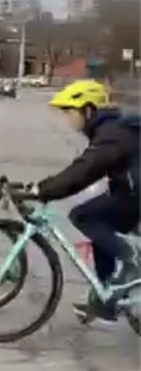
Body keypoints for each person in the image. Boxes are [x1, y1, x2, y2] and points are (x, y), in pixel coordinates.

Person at [27, 80, 140, 322]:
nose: (67, 119)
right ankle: (107, 294)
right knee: (100, 223)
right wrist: (43, 187)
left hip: (134, 197)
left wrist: (44, 190)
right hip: (130, 194)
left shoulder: (113, 134)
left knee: (83, 216)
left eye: (69, 112)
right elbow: (88, 169)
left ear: (88, 110)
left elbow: (86, 170)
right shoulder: (111, 129)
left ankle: (132, 257)